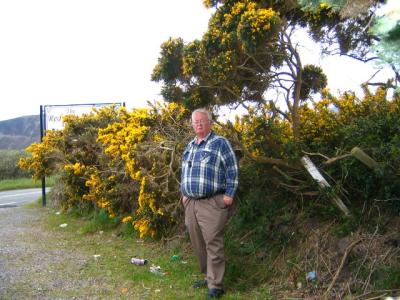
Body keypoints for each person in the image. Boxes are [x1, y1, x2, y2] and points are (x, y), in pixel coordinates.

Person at [181, 108, 239, 299]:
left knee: (213, 243)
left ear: (210, 123)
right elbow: (184, 173)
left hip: (212, 202)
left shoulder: (220, 143)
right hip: (191, 203)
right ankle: (208, 277)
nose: (198, 124)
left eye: (202, 121)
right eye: (195, 121)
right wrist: (184, 194)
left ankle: (216, 285)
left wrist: (229, 194)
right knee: (198, 243)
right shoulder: (190, 146)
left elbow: (232, 168)